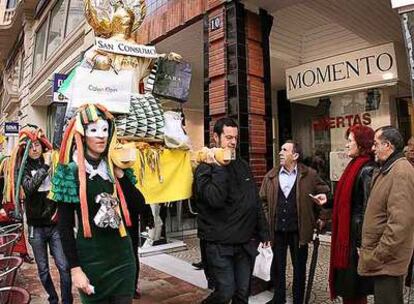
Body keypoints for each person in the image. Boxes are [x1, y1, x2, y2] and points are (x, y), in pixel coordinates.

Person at [52, 104, 153, 304]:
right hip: (92, 260)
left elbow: (138, 206)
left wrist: (121, 176)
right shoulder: (70, 172)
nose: (101, 136)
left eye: (105, 130)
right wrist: (75, 269)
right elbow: (64, 227)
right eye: (94, 130)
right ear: (82, 134)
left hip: (123, 259)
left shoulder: (117, 167)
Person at [194, 117, 270, 304]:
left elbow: (254, 201)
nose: (234, 142)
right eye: (228, 137)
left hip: (244, 244)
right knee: (225, 292)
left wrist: (264, 232)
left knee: (242, 294)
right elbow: (215, 199)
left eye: (235, 137)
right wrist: (218, 167)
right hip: (219, 245)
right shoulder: (204, 168)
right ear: (216, 138)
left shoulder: (242, 165)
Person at [260, 140, 329, 304]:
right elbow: (262, 200)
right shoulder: (271, 176)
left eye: (284, 150)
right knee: (278, 266)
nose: (280, 153)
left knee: (299, 268)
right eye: (281, 149)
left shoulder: (310, 175)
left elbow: (325, 195)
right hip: (277, 229)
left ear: (295, 155)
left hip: (300, 230)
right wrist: (267, 217)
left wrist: (322, 217)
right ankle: (279, 297)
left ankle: (299, 299)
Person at [15, 126, 72, 304]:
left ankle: (67, 301)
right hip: (35, 227)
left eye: (37, 145)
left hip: (54, 225)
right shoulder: (22, 169)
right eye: (31, 146)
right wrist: (45, 166)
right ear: (26, 149)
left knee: (64, 266)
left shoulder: (53, 162)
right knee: (43, 269)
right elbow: (29, 188)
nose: (35, 149)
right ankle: (53, 298)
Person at [358, 126, 414, 304]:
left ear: (388, 145)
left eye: (376, 144)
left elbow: (400, 223)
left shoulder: (401, 172)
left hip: (388, 262)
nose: (373, 148)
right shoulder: (387, 169)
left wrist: (378, 255)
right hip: (384, 261)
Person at [329, 125, 376, 304]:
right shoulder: (354, 165)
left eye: (350, 141)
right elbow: (346, 199)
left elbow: (367, 210)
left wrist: (361, 243)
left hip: (354, 241)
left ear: (362, 143)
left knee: (355, 290)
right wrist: (327, 199)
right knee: (350, 289)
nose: (346, 145)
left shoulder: (367, 169)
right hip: (347, 239)